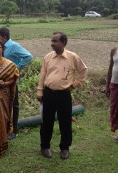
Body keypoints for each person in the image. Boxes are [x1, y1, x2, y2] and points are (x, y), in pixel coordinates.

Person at [37, 32, 87, 160]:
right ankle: (45, 146)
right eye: (52, 41)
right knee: (46, 121)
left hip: (64, 95)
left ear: (63, 43)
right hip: (48, 94)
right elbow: (42, 75)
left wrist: (74, 85)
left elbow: (83, 71)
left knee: (65, 122)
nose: (52, 43)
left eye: (55, 41)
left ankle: (65, 148)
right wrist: (40, 91)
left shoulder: (72, 57)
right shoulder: (48, 57)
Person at [0, 27, 33, 139]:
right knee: (3, 104)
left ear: (4, 37)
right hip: (1, 80)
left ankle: (14, 129)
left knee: (13, 104)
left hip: (12, 80)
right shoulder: (1, 47)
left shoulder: (14, 46)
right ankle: (4, 127)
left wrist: (16, 67)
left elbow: (28, 56)